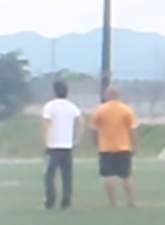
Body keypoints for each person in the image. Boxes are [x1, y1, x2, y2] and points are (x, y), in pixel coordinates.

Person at [89, 85, 138, 208]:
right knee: (126, 175)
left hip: (106, 147)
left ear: (107, 95)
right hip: (123, 146)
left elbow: (94, 129)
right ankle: (130, 200)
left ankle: (112, 202)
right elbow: (132, 129)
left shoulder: (100, 110)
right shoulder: (126, 110)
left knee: (108, 175)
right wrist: (134, 144)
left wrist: (95, 142)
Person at [40, 79, 82, 211]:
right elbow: (81, 122)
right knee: (67, 176)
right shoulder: (71, 106)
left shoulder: (50, 106)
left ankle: (50, 201)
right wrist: (76, 139)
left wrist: (46, 143)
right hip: (67, 146)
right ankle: (66, 202)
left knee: (49, 176)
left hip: (54, 146)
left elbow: (46, 124)